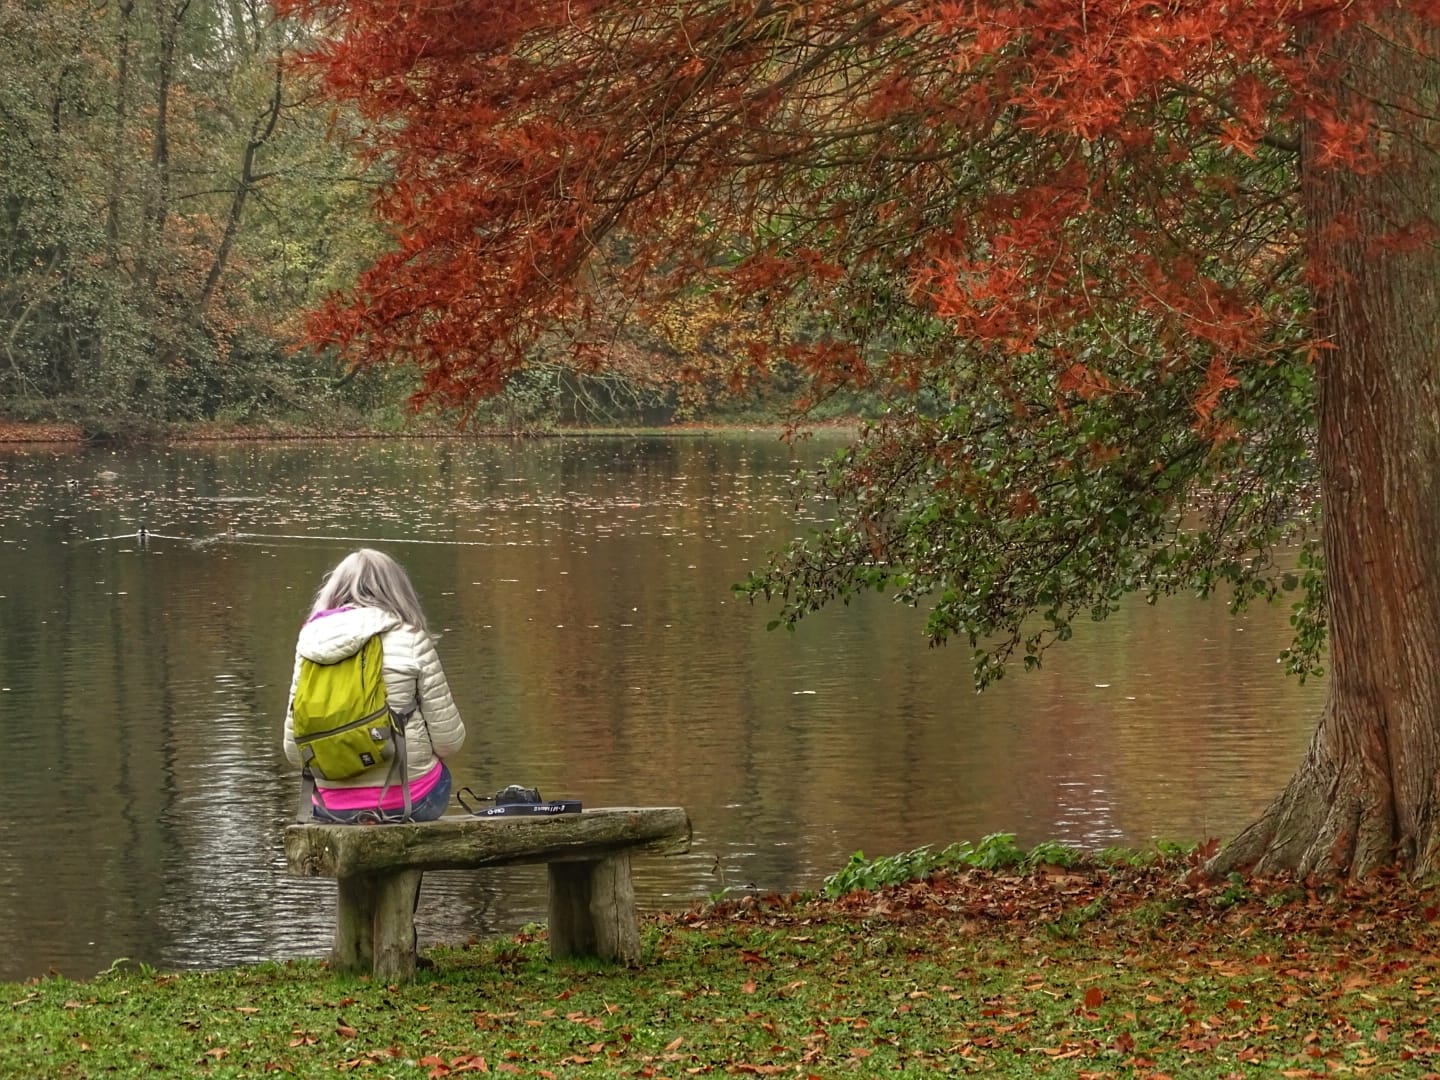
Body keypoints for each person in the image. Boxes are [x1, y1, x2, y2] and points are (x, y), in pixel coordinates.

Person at [283, 548, 465, 822]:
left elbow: (293, 752)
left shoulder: (309, 644)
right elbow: (449, 742)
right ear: (398, 591)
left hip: (329, 808)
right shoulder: (411, 639)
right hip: (409, 803)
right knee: (441, 774)